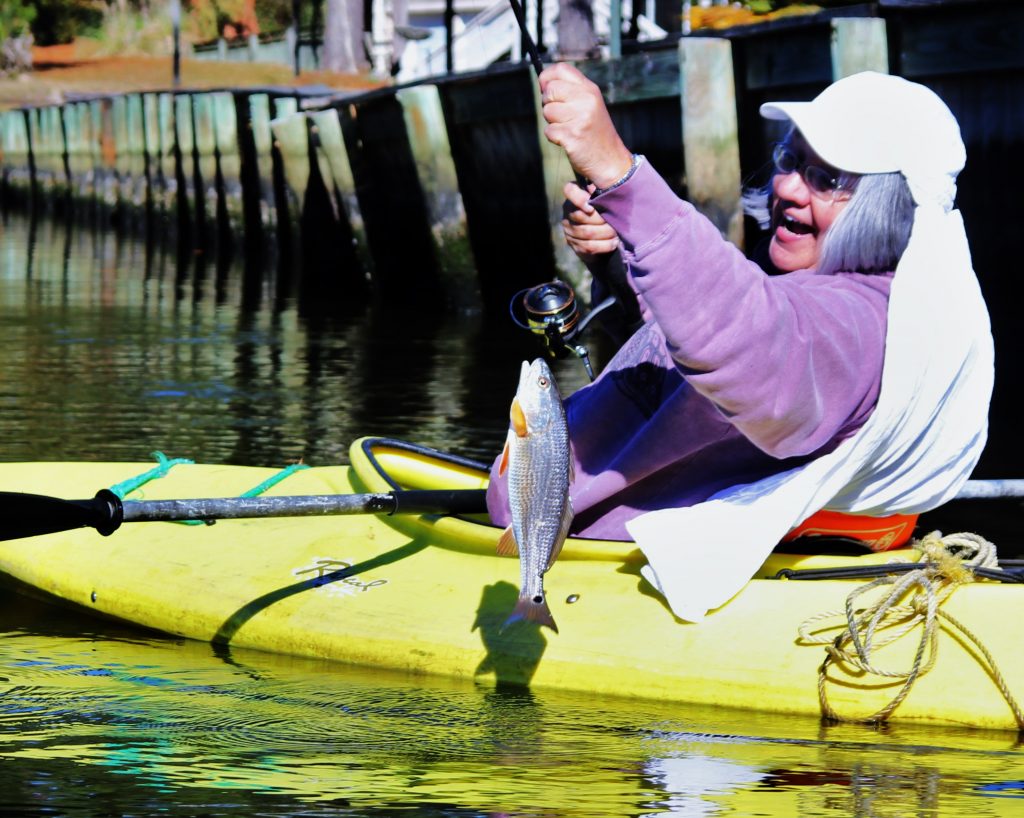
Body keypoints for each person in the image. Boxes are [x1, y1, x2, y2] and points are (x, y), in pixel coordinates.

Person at [486, 67, 994, 622]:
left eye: (826, 180)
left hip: (597, 575)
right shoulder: (850, 301)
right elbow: (708, 355)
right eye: (790, 161)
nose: (787, 187)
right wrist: (617, 258)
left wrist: (620, 176)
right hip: (556, 536)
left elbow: (756, 346)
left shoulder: (855, 322)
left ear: (888, 208)